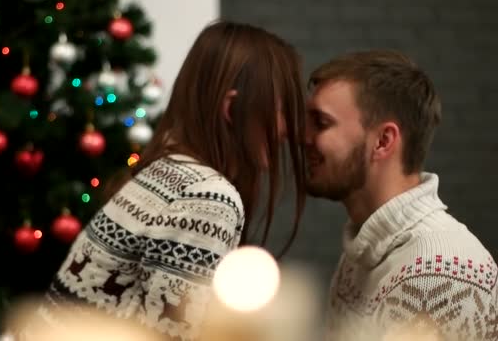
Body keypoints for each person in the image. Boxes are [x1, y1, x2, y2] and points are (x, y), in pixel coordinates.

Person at [30, 21, 308, 340]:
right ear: (232, 109)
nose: (288, 131)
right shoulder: (208, 199)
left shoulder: (166, 169)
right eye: (283, 110)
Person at [304, 49, 498, 340]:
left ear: (383, 141)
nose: (302, 136)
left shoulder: (438, 271)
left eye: (320, 123)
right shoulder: (364, 253)